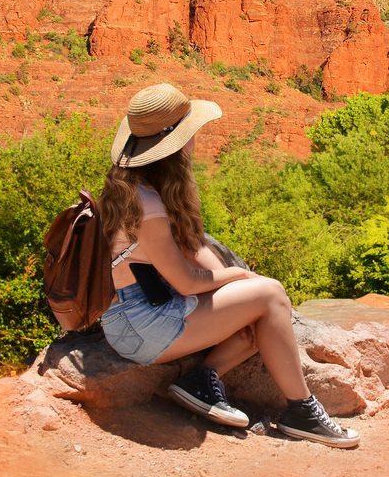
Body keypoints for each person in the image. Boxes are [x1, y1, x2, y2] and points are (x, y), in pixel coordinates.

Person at [96, 82, 359, 448]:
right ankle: (302, 410)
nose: (195, 140)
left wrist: (243, 287)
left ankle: (202, 380)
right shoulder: (149, 206)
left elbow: (193, 248)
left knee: (261, 315)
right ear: (175, 145)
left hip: (144, 313)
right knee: (270, 296)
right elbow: (187, 282)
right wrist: (242, 277)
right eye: (190, 133)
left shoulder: (139, 185)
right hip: (141, 325)